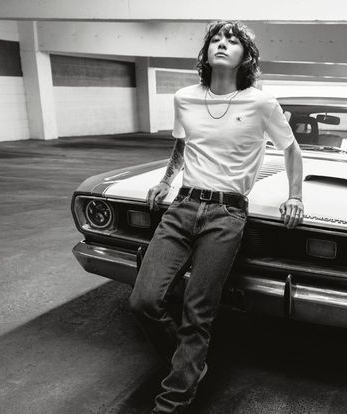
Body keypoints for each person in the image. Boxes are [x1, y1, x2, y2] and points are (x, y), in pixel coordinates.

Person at [128, 20, 304, 413]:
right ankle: (190, 365)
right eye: (216, 39)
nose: (222, 44)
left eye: (233, 40)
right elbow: (180, 145)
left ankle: (171, 401)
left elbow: (292, 150)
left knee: (197, 311)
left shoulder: (261, 103)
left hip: (227, 214)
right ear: (206, 52)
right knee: (143, 301)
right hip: (183, 207)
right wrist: (166, 180)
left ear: (246, 56)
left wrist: (296, 196)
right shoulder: (185, 97)